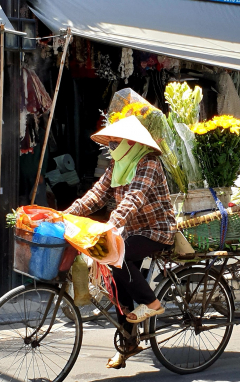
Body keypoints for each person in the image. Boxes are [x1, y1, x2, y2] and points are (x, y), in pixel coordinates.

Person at [63, 116, 176, 369]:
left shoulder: (149, 163)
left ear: (130, 142)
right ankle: (128, 345)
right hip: (131, 233)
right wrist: (67, 214)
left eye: (115, 143)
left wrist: (112, 223)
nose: (112, 149)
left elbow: (134, 198)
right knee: (116, 283)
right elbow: (96, 195)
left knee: (115, 257)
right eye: (111, 144)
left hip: (157, 231)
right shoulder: (117, 166)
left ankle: (153, 304)